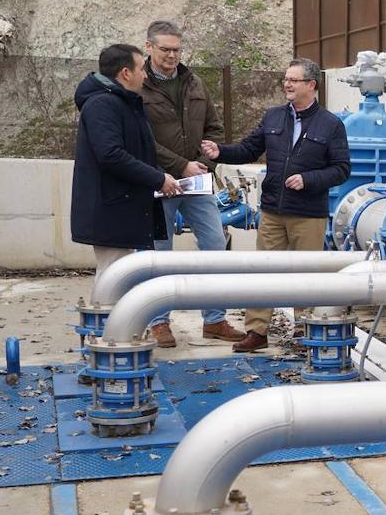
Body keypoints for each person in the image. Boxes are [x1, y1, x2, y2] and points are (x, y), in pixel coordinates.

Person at [201, 57, 350, 353]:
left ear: (311, 84)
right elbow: (248, 149)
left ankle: (304, 330)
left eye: (294, 80)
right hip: (272, 211)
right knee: (263, 272)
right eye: (286, 79)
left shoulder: (331, 124)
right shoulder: (273, 117)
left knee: (306, 275)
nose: (287, 84)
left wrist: (308, 179)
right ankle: (257, 332)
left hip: (308, 214)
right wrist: (220, 152)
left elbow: (341, 169)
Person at [139, 20, 245, 348]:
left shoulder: (194, 83)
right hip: (159, 181)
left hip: (197, 181)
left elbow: (214, 128)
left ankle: (214, 320)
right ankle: (158, 322)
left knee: (214, 245)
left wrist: (203, 164)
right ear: (149, 47)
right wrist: (179, 166)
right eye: (165, 49)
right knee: (159, 253)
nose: (172, 55)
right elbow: (141, 138)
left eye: (177, 49)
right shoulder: (139, 86)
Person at [71, 44, 181, 289]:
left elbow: (134, 152)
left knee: (119, 276)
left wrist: (158, 175)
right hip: (112, 210)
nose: (145, 75)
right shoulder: (103, 105)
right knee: (113, 277)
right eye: (141, 69)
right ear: (125, 73)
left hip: (122, 207)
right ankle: (105, 316)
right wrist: (158, 179)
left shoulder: (123, 103)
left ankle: (111, 315)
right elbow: (111, 155)